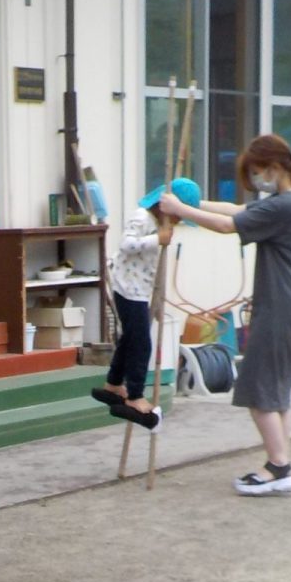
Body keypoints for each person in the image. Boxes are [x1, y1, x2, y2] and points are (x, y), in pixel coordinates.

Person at [181, 135, 291, 495]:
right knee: (276, 392)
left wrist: (181, 211)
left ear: (274, 168)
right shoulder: (287, 201)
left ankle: (278, 467)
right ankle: (281, 462)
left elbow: (227, 226)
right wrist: (193, 203)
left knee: (258, 390)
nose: (257, 180)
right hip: (289, 302)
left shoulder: (284, 205)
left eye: (258, 172)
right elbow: (235, 211)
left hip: (281, 305)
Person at [92, 176, 208, 428]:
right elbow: (126, 244)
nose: (178, 221)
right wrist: (158, 239)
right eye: (177, 216)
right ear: (164, 207)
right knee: (142, 343)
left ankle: (114, 383)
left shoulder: (157, 223)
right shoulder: (142, 217)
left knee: (130, 339)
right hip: (127, 288)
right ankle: (135, 395)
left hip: (139, 290)